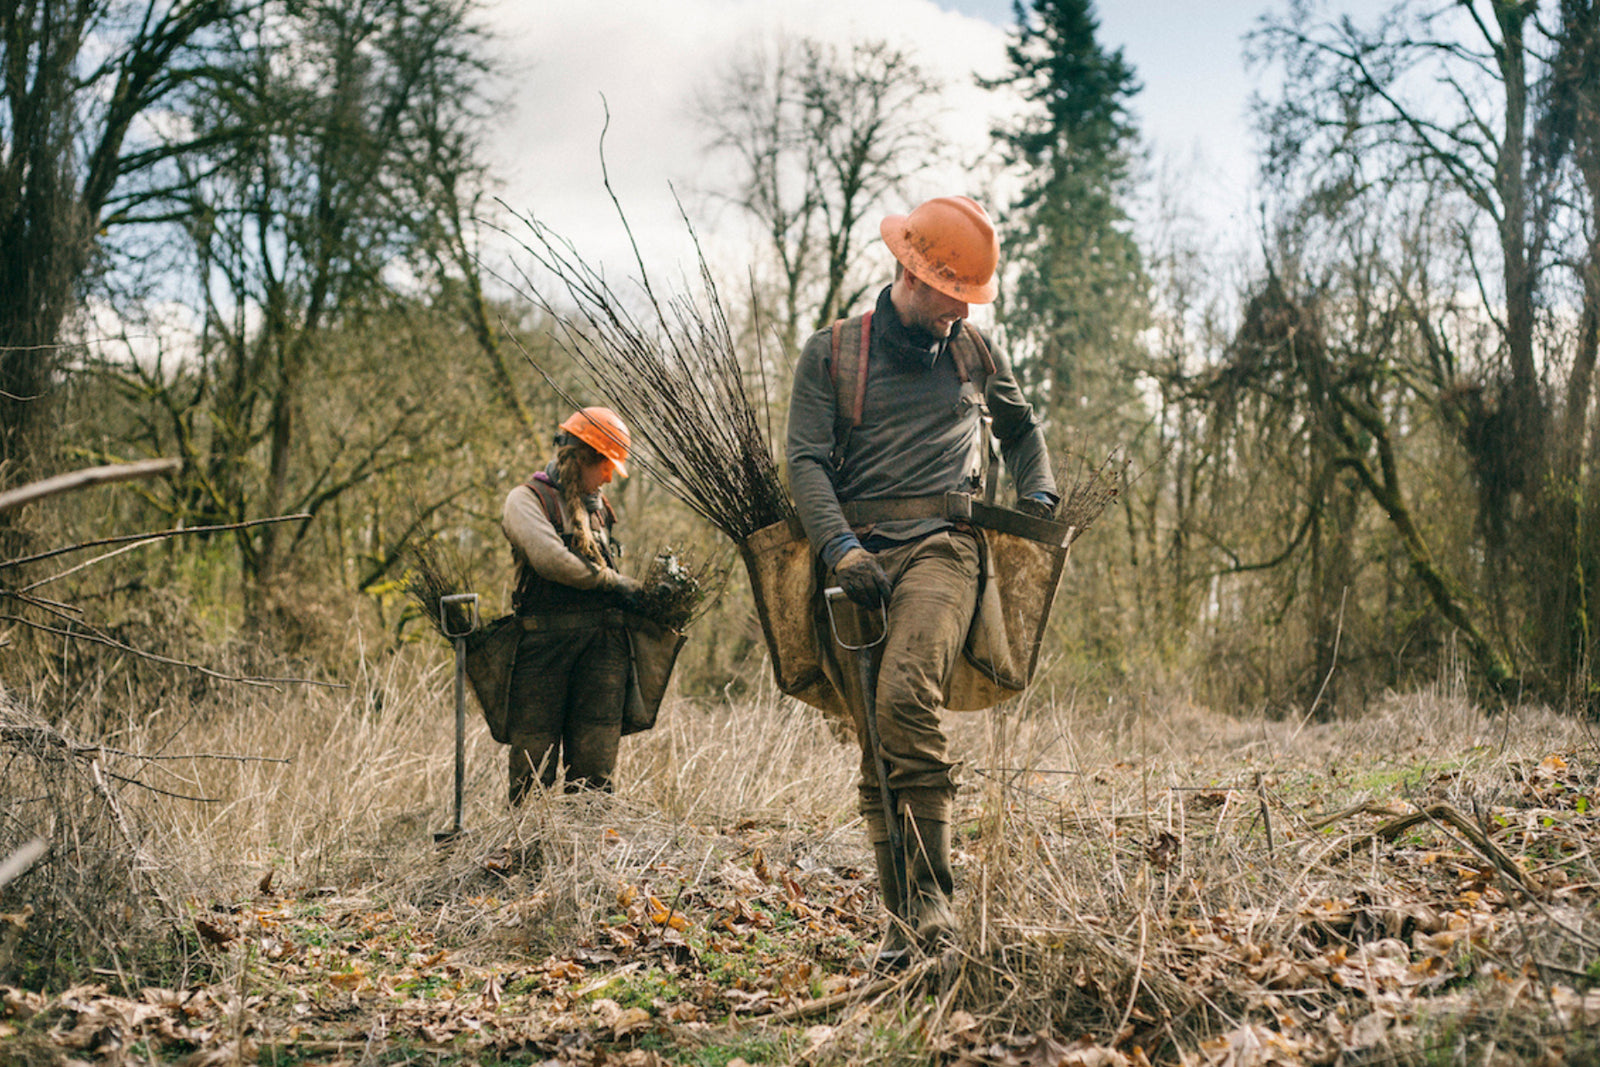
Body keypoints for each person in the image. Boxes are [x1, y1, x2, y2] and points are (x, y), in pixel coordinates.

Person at [785, 196, 1058, 964]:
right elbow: (804, 459)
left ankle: (937, 900)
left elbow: (1023, 429)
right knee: (875, 740)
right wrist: (838, 547)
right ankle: (902, 930)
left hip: (946, 547)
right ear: (912, 272)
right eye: (953, 296)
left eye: (973, 301)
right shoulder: (831, 352)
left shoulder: (975, 352)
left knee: (907, 696)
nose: (962, 312)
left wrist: (1038, 494)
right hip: (856, 557)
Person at [500, 406, 643, 802]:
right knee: (532, 766)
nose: (611, 476)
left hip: (602, 652)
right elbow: (551, 561)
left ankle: (590, 856)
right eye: (606, 465)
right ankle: (529, 853)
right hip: (542, 651)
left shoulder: (600, 512)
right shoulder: (525, 501)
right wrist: (613, 582)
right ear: (582, 458)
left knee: (595, 770)